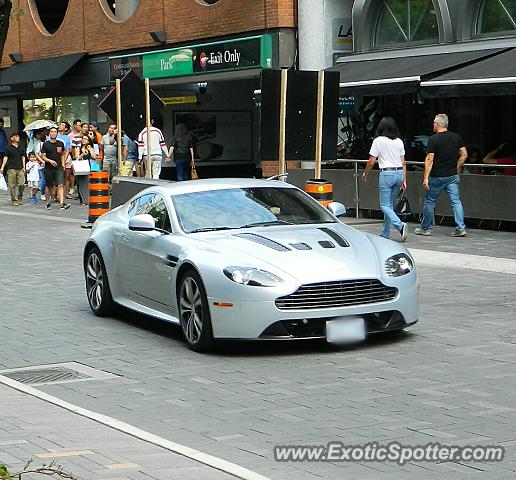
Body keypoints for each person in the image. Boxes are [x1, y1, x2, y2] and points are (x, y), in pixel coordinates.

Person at [415, 113, 467, 237]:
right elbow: (464, 154)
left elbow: (429, 159)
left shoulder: (433, 139)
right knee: (455, 201)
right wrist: (457, 166)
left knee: (430, 201)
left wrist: (426, 177)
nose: (433, 124)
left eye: (434, 122)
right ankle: (460, 228)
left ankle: (425, 228)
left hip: (437, 176)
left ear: (437, 124)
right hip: (452, 175)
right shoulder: (456, 137)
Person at [362, 117, 408, 241]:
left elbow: (371, 161)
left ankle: (400, 225)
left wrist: (365, 174)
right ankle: (385, 233)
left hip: (386, 174)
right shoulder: (399, 141)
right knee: (389, 206)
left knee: (384, 206)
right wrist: (404, 179)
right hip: (399, 173)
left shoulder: (378, 141)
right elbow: (403, 162)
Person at [40, 126, 70, 210]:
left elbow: (63, 154)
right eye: (52, 132)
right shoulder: (46, 144)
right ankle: (48, 202)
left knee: (60, 184)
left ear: (57, 133)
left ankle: (62, 203)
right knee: (49, 185)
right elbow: (43, 156)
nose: (53, 133)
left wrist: (63, 163)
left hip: (59, 167)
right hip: (49, 167)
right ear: (49, 133)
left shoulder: (60, 143)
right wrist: (50, 161)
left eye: (55, 132)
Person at [0, 132, 26, 206]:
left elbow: (23, 157)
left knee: (22, 184)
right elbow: (5, 157)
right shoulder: (8, 148)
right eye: (16, 136)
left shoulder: (21, 147)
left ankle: (20, 196)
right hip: (11, 168)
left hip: (20, 167)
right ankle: (14, 199)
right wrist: (2, 167)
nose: (18, 137)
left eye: (18, 136)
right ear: (12, 138)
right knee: (12, 185)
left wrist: (24, 166)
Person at [75, 135, 97, 205]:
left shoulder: (90, 147)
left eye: (86, 139)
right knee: (80, 183)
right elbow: (77, 158)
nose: (84, 140)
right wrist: (82, 154)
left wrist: (90, 150)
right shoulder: (78, 148)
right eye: (83, 138)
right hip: (80, 166)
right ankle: (82, 200)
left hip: (88, 166)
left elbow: (94, 157)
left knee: (87, 183)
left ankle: (87, 199)